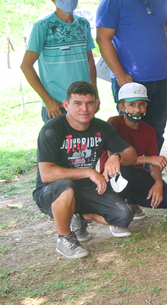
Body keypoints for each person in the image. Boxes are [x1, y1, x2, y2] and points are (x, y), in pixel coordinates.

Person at [33, 81, 137, 258]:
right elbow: (47, 174)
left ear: (96, 104)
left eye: (90, 103)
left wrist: (116, 156)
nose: (85, 109)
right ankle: (65, 238)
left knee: (124, 215)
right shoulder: (52, 129)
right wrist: (88, 172)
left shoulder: (101, 127)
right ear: (66, 105)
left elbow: (132, 154)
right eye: (78, 103)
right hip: (51, 191)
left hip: (86, 189)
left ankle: (79, 215)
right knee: (66, 186)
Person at [96, 0, 167, 151]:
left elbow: (164, 29)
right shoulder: (114, 0)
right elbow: (103, 39)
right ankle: (130, 178)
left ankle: (153, 177)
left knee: (156, 132)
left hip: (161, 78)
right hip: (130, 80)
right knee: (128, 133)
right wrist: (120, 75)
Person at [22, 0, 96, 122]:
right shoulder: (42, 26)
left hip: (84, 104)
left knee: (86, 145)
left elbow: (89, 59)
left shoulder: (83, 24)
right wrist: (48, 100)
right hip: (56, 105)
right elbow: (26, 65)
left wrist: (94, 93)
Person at [102, 83, 167, 216]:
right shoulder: (114, 123)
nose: (137, 109)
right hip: (113, 173)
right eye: (132, 105)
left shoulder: (149, 130)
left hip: (136, 173)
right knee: (124, 170)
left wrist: (158, 182)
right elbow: (116, 159)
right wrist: (149, 159)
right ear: (121, 107)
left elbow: (154, 163)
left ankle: (131, 202)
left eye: (141, 104)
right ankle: (113, 212)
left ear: (146, 106)